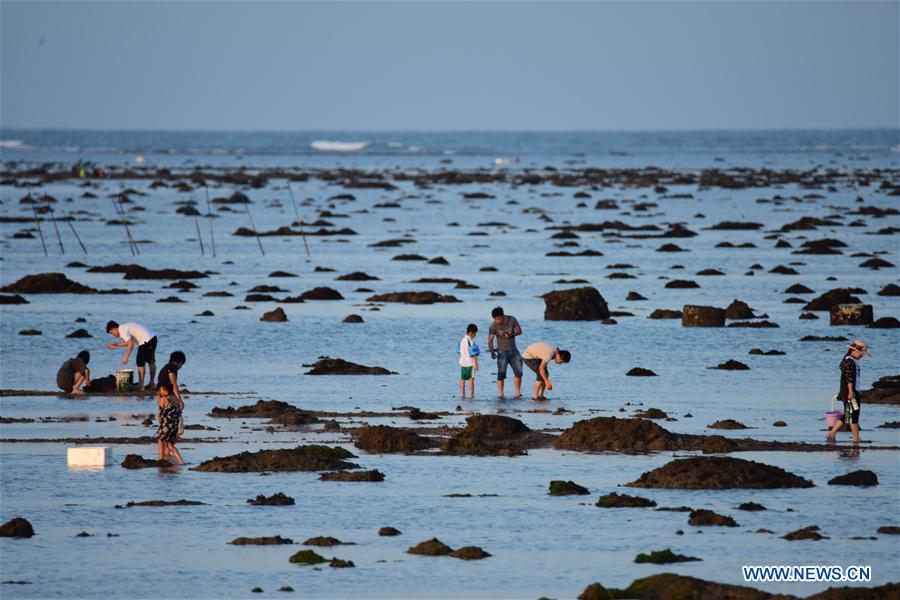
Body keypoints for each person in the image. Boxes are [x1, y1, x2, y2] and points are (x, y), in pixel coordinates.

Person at [827, 340, 870, 444]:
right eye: (861, 353)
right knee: (853, 414)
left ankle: (831, 434)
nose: (861, 356)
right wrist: (851, 392)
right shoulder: (848, 361)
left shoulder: (851, 361)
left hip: (852, 391)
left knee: (848, 414)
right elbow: (848, 378)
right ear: (853, 351)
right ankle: (856, 438)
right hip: (849, 392)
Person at [106, 321, 158, 390]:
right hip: (153, 338)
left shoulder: (122, 330)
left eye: (112, 333)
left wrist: (126, 357)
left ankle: (141, 385)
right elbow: (128, 342)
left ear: (114, 329)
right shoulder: (125, 327)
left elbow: (130, 344)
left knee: (140, 363)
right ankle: (151, 383)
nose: (113, 335)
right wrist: (116, 344)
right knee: (151, 361)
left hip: (145, 341)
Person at [487, 307, 523, 398]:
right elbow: (490, 340)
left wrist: (512, 334)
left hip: (514, 351)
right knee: (501, 373)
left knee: (519, 372)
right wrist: (492, 351)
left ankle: (518, 393)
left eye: (498, 318)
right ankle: (501, 394)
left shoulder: (512, 319)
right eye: (495, 319)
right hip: (501, 352)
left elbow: (519, 331)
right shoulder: (493, 326)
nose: (497, 321)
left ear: (503, 316)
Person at [156, 385, 184, 465]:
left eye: (160, 389)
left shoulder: (163, 399)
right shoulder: (175, 398)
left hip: (166, 424)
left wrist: (160, 419)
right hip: (174, 425)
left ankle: (160, 460)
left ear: (164, 389)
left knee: (160, 440)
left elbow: (160, 414)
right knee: (169, 445)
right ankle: (181, 462)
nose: (159, 391)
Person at [459, 324, 480, 399]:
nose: (475, 335)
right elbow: (474, 354)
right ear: (471, 333)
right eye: (475, 333)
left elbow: (459, 351)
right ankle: (472, 395)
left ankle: (463, 394)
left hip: (462, 362)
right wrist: (476, 364)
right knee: (471, 379)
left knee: (463, 379)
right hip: (470, 363)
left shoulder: (462, 340)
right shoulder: (471, 342)